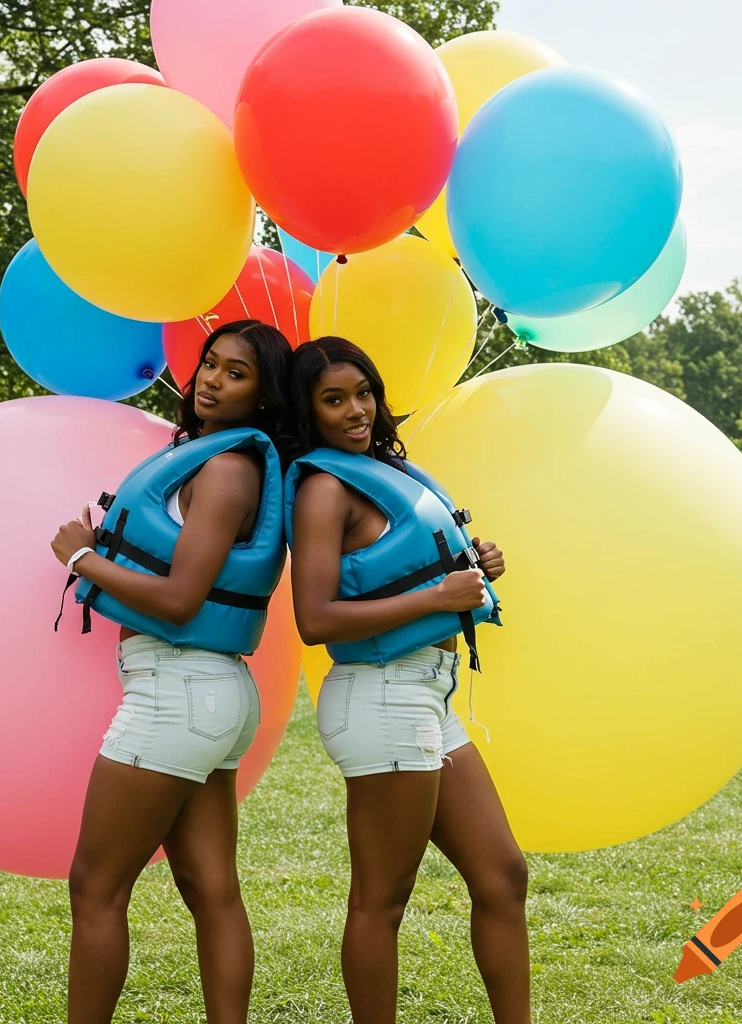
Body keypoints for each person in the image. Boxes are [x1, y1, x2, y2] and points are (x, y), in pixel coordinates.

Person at [50, 320, 293, 1024]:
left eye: (236, 373)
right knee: (210, 888)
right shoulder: (218, 459)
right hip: (212, 696)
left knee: (96, 886)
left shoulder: (226, 470)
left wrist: (83, 559)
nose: (212, 379)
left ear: (264, 394)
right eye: (210, 364)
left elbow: (183, 596)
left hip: (178, 692)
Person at [285, 337, 531, 1024]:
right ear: (310, 413)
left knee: (503, 876)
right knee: (381, 900)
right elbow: (315, 617)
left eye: (363, 392)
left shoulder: (387, 471)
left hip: (426, 695)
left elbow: (414, 567)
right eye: (334, 400)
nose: (357, 411)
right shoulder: (324, 489)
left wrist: (474, 564)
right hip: (381, 700)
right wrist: (437, 598)